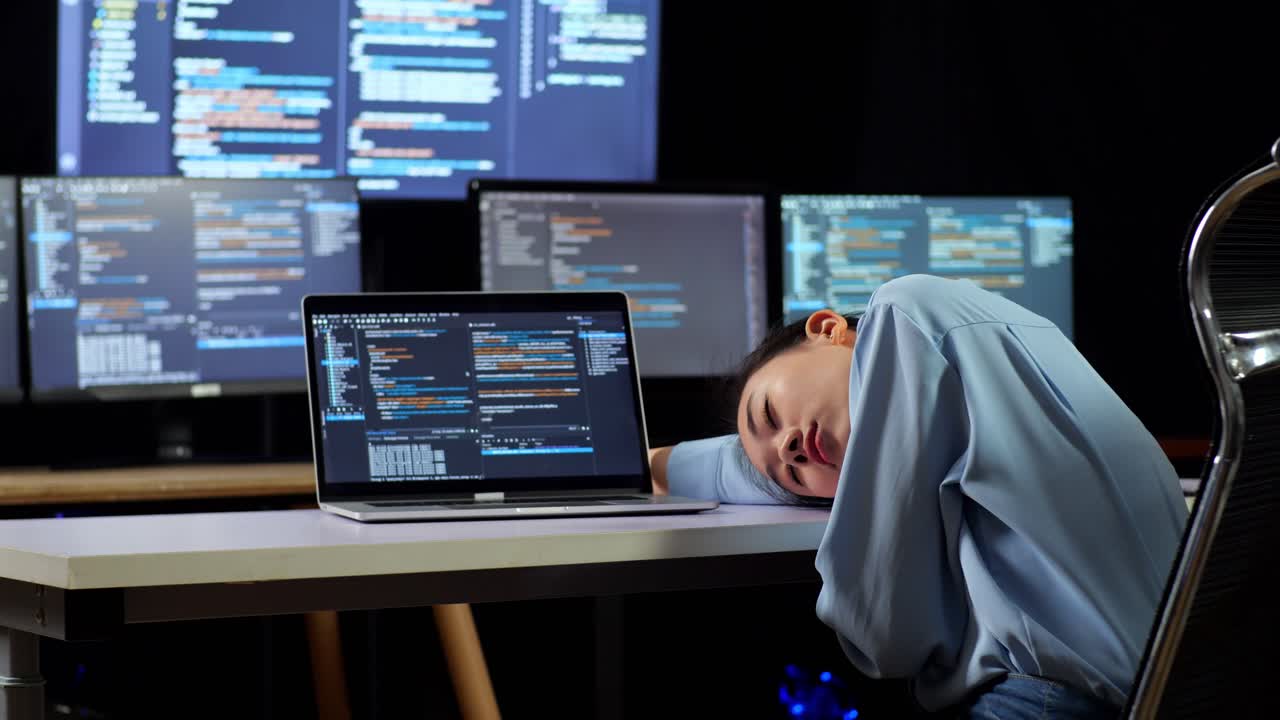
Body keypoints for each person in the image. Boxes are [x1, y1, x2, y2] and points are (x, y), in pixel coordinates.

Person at [648, 274, 1188, 720]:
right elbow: (755, 460)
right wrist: (640, 463)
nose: (789, 447)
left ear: (828, 328)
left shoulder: (902, 312)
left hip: (1050, 699)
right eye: (789, 475)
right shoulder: (1017, 336)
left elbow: (885, 642)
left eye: (767, 414)